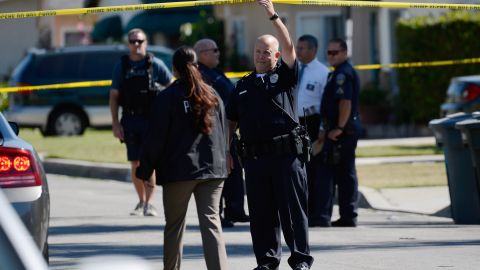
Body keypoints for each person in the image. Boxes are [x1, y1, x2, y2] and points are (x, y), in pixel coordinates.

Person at [225, 1, 313, 269]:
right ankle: (266, 261)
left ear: (276, 57)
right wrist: (230, 148)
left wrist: (273, 16)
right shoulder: (243, 86)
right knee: (261, 215)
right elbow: (231, 119)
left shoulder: (285, 78)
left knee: (292, 213)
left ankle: (300, 260)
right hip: (254, 160)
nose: (261, 56)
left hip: (286, 157)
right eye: (258, 51)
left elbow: (288, 46)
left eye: (267, 52)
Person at [136, 46, 228, 270]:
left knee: (175, 227)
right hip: (213, 170)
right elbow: (225, 131)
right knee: (212, 224)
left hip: (179, 171)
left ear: (174, 69)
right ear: (196, 65)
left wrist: (145, 171)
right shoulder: (213, 94)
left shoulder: (167, 97)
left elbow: (155, 138)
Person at [109, 28, 173, 216]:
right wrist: (115, 123)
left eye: (140, 41)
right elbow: (113, 96)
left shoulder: (156, 64)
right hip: (130, 119)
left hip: (151, 120)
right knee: (135, 162)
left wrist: (168, 118)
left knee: (149, 161)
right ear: (128, 44)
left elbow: (172, 90)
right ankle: (141, 201)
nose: (136, 44)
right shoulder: (121, 66)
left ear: (146, 42)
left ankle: (150, 203)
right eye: (133, 41)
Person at [194, 38, 249, 228]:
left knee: (233, 170)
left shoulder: (214, 72)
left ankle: (235, 210)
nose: (218, 53)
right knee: (218, 172)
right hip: (215, 132)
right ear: (203, 54)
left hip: (228, 129)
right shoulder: (201, 75)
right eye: (214, 50)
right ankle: (216, 213)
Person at [310, 38, 362, 227]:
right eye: (328, 53)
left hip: (342, 132)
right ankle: (346, 215)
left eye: (335, 52)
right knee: (342, 172)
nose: (331, 56)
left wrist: (338, 128)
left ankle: (325, 216)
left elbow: (345, 102)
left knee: (330, 172)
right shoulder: (338, 73)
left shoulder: (343, 74)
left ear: (344, 52)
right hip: (338, 130)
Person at [295, 34, 330, 221]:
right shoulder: (294, 69)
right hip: (295, 123)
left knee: (315, 169)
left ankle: (318, 213)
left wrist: (323, 128)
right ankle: (303, 211)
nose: (298, 51)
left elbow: (326, 104)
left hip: (313, 122)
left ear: (313, 50)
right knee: (298, 169)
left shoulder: (322, 72)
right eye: (297, 47)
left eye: (302, 48)